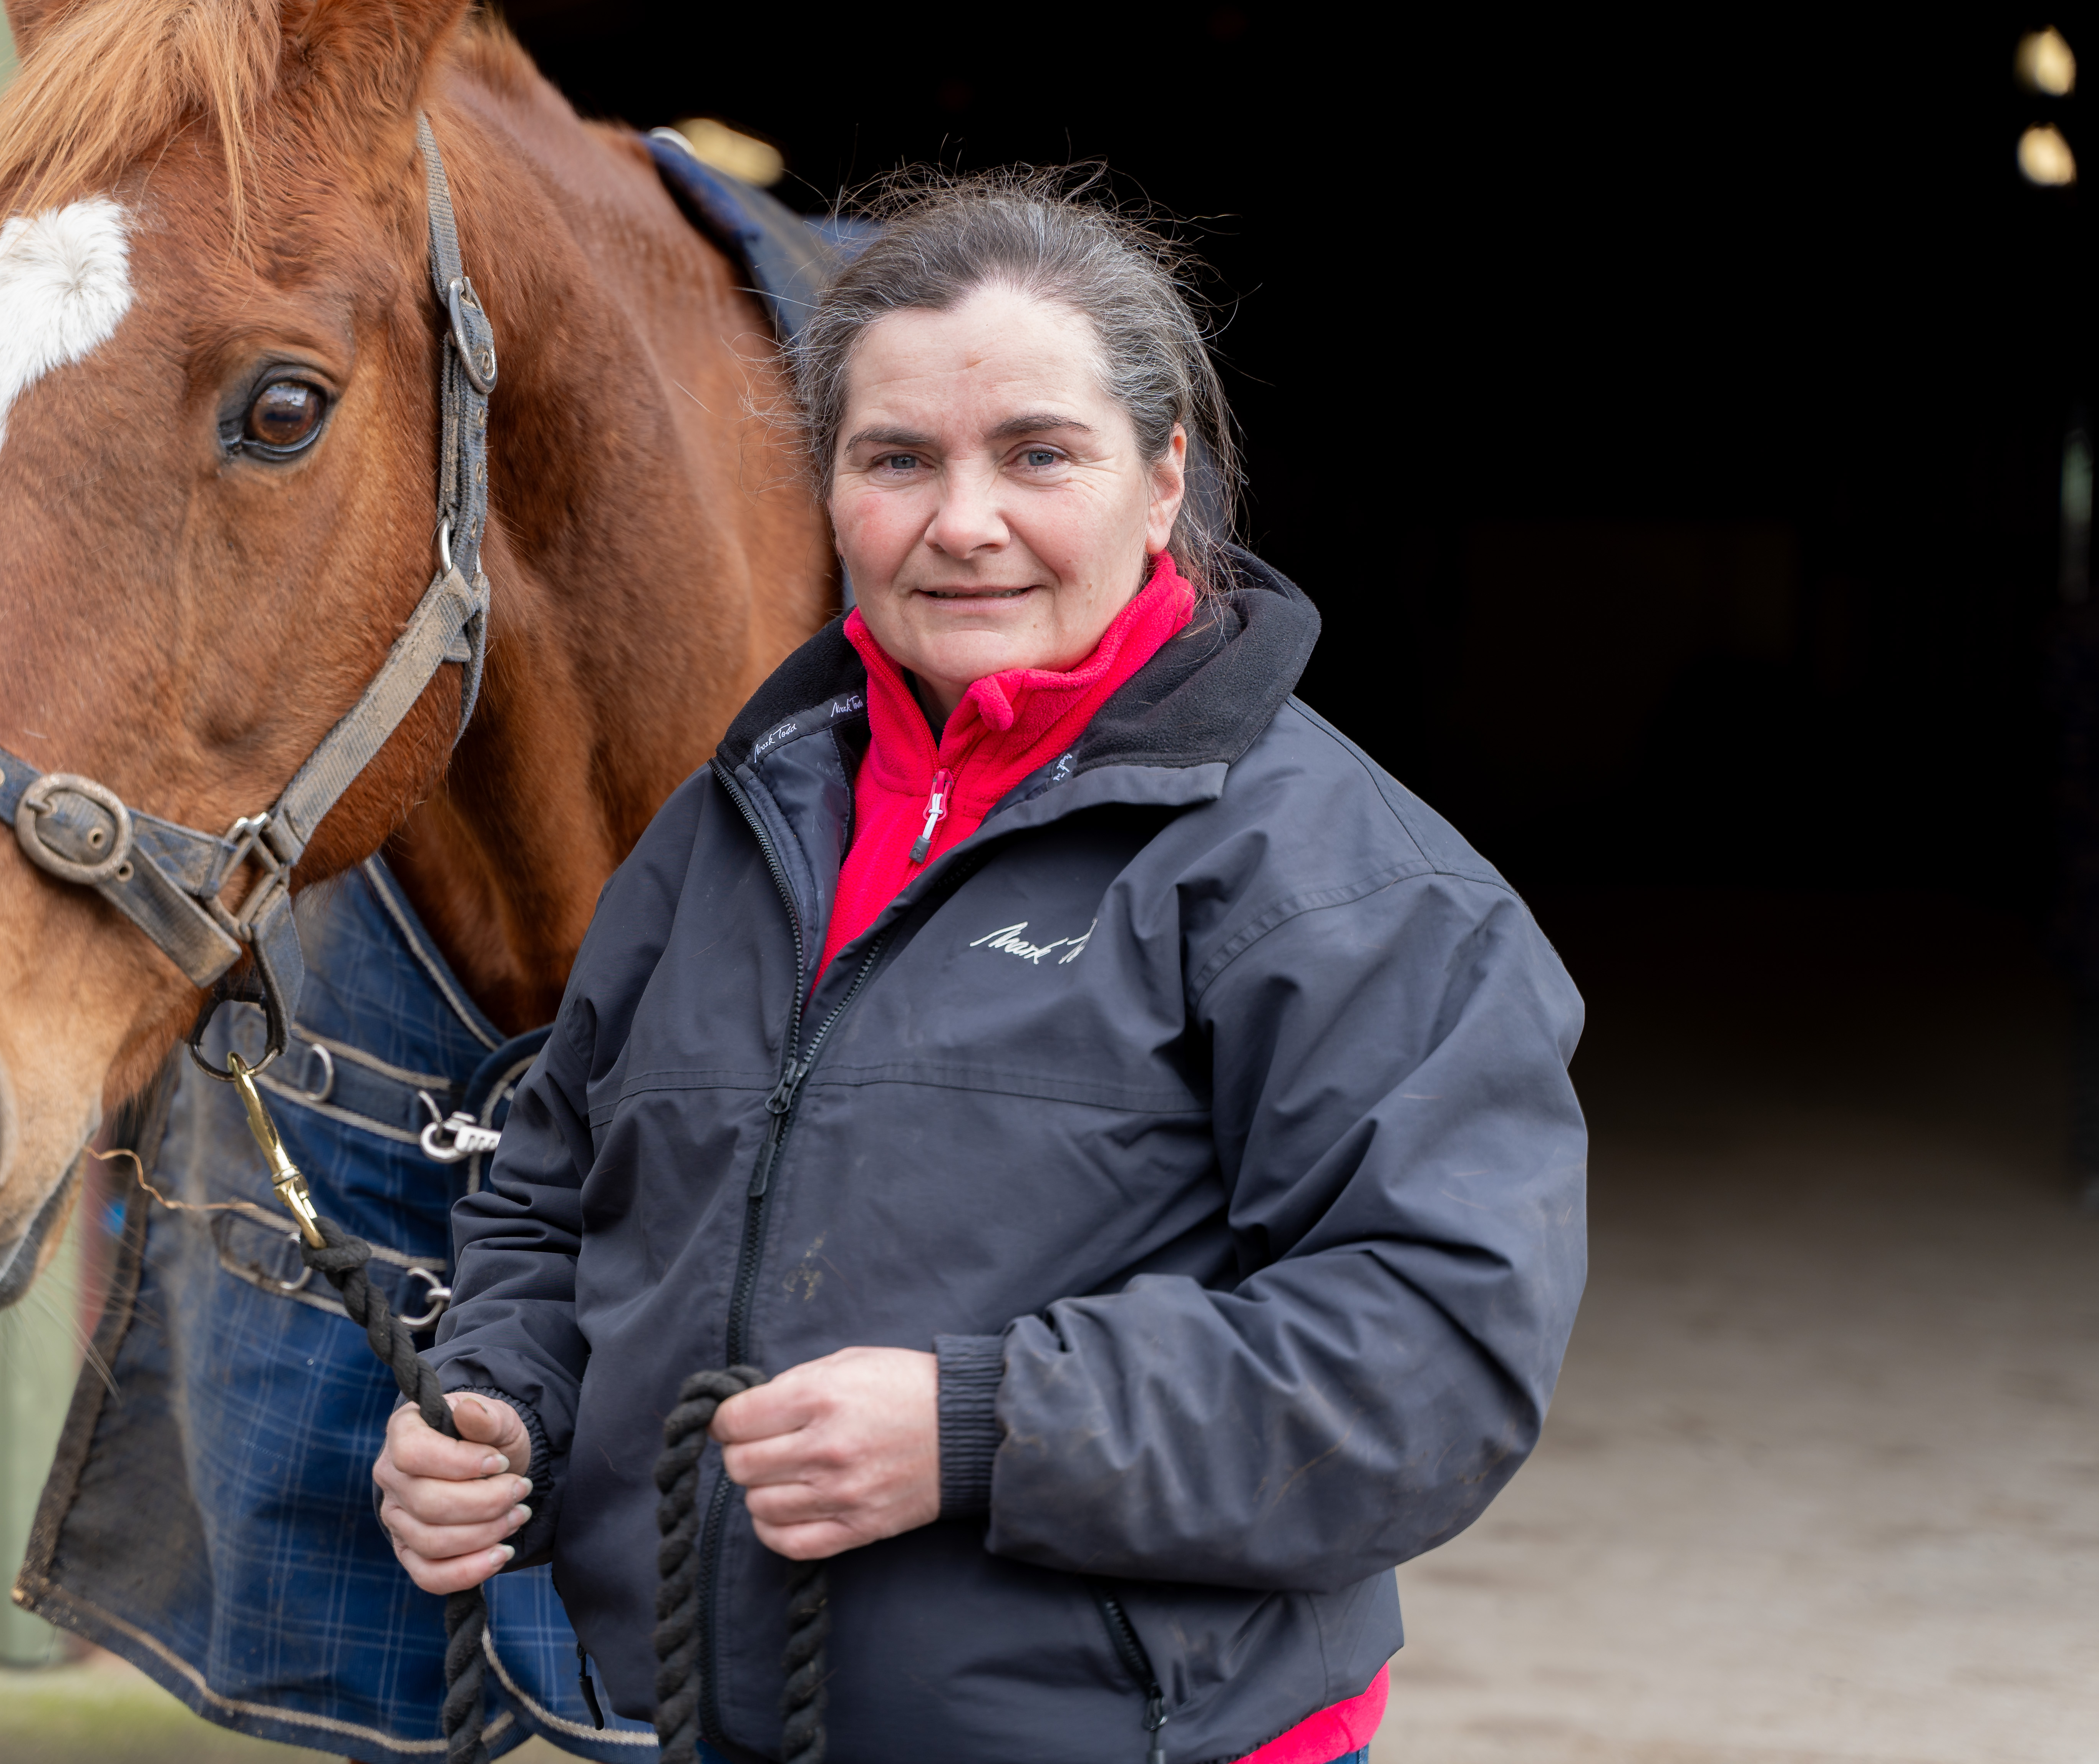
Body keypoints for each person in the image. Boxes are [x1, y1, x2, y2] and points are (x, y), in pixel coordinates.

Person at [371, 172, 1588, 1764]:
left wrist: (980, 1428)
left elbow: (1437, 1354)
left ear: (1163, 484)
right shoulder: (728, 829)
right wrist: (502, 1405)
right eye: (897, 460)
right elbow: (553, 1188)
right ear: (832, 493)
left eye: (1038, 454)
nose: (964, 522)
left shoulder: (1342, 882)